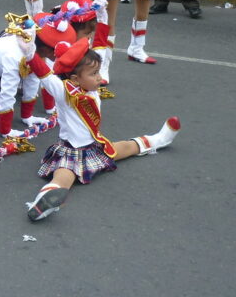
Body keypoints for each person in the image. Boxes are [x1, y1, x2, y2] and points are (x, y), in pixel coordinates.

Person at [25, 38, 181, 221]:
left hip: (94, 146)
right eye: (93, 74)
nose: (99, 77)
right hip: (71, 152)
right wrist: (29, 53)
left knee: (125, 147)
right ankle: (42, 205)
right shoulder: (65, 93)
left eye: (98, 71)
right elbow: (46, 76)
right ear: (75, 79)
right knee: (63, 179)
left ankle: (159, 140)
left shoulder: (90, 89)